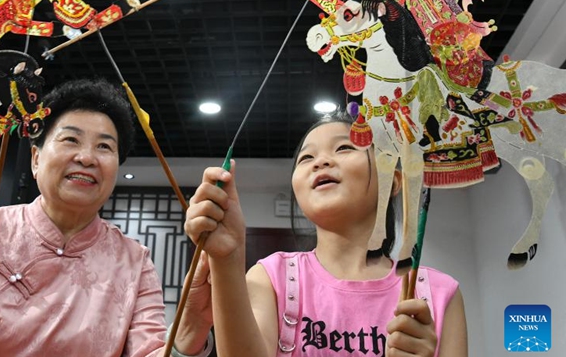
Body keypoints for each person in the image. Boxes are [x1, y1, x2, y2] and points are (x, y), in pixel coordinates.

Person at [0, 78, 214, 357]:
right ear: (35, 159)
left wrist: (193, 324)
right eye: (71, 139)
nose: (87, 157)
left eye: (104, 147)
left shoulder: (133, 260)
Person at [184, 111, 468, 357]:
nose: (320, 162)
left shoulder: (438, 294)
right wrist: (227, 258)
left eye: (344, 148)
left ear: (391, 181)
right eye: (306, 157)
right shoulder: (271, 277)